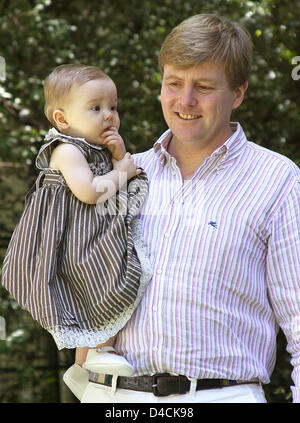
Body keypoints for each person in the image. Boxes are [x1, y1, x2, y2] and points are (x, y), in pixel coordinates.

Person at [80, 14, 300, 403]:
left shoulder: (279, 180)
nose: (185, 101)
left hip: (222, 396)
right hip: (113, 397)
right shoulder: (123, 174)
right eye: (174, 83)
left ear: (238, 93)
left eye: (203, 86)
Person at [1, 64, 152, 400]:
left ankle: (83, 366)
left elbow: (111, 179)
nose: (109, 116)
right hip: (68, 242)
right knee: (100, 284)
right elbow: (89, 191)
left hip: (88, 234)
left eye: (113, 107)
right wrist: (122, 172)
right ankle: (97, 354)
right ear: (62, 119)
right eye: (95, 108)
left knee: (100, 286)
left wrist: (117, 155)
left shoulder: (93, 148)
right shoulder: (67, 150)